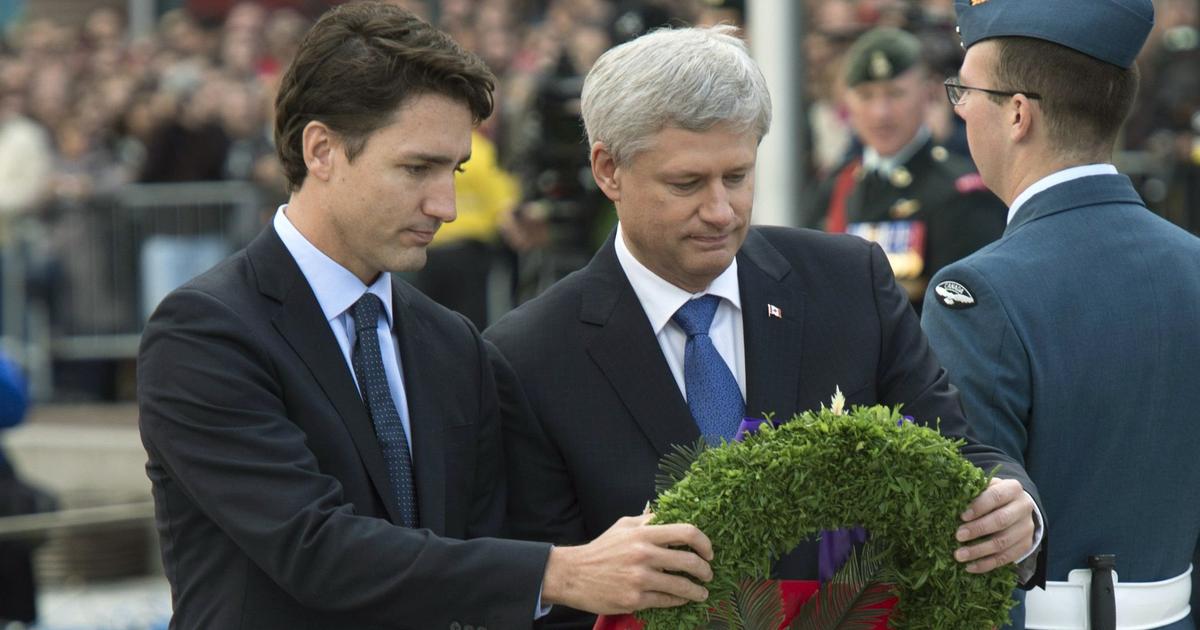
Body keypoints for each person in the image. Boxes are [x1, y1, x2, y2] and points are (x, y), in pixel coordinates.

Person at [137, 4, 714, 629]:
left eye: (455, 170)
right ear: (322, 150)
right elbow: (314, 549)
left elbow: (486, 555)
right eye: (417, 168)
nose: (446, 205)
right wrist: (560, 572)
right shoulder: (204, 333)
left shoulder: (451, 343)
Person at [485, 24, 1046, 629]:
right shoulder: (530, 355)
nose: (721, 211)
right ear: (608, 170)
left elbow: (957, 451)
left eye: (737, 176)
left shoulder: (847, 282)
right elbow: (551, 592)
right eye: (686, 183)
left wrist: (1012, 507)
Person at [920, 1, 1200, 629]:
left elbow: (968, 543)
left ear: (1018, 113)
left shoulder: (976, 292)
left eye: (967, 90)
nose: (959, 108)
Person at [803, 27, 1006, 308]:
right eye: (866, 96)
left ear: (927, 93)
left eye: (895, 94)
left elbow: (967, 312)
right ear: (847, 101)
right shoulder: (835, 187)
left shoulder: (960, 192)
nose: (880, 113)